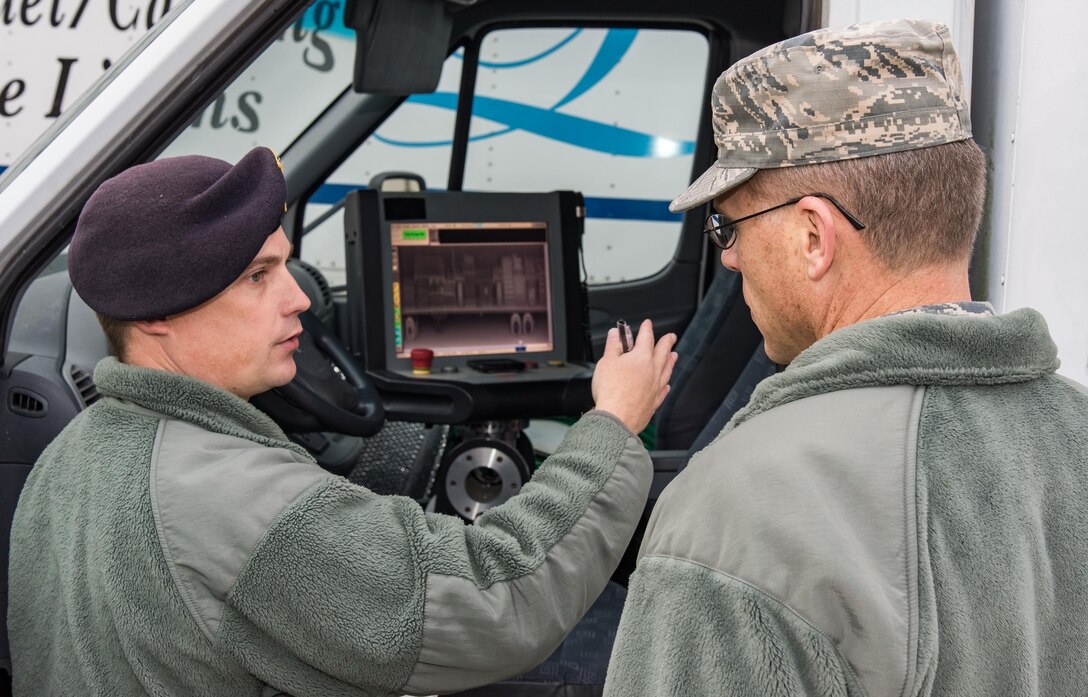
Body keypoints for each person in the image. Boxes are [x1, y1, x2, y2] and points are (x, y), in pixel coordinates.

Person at [6, 147, 678, 696]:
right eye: (258, 277)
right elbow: (495, 600)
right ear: (157, 314)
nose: (298, 297)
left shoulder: (73, 455)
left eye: (285, 266)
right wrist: (612, 422)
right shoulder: (240, 502)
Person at [605, 18, 1088, 696]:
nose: (730, 256)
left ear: (814, 237)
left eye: (727, 224)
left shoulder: (734, 513)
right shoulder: (1074, 431)